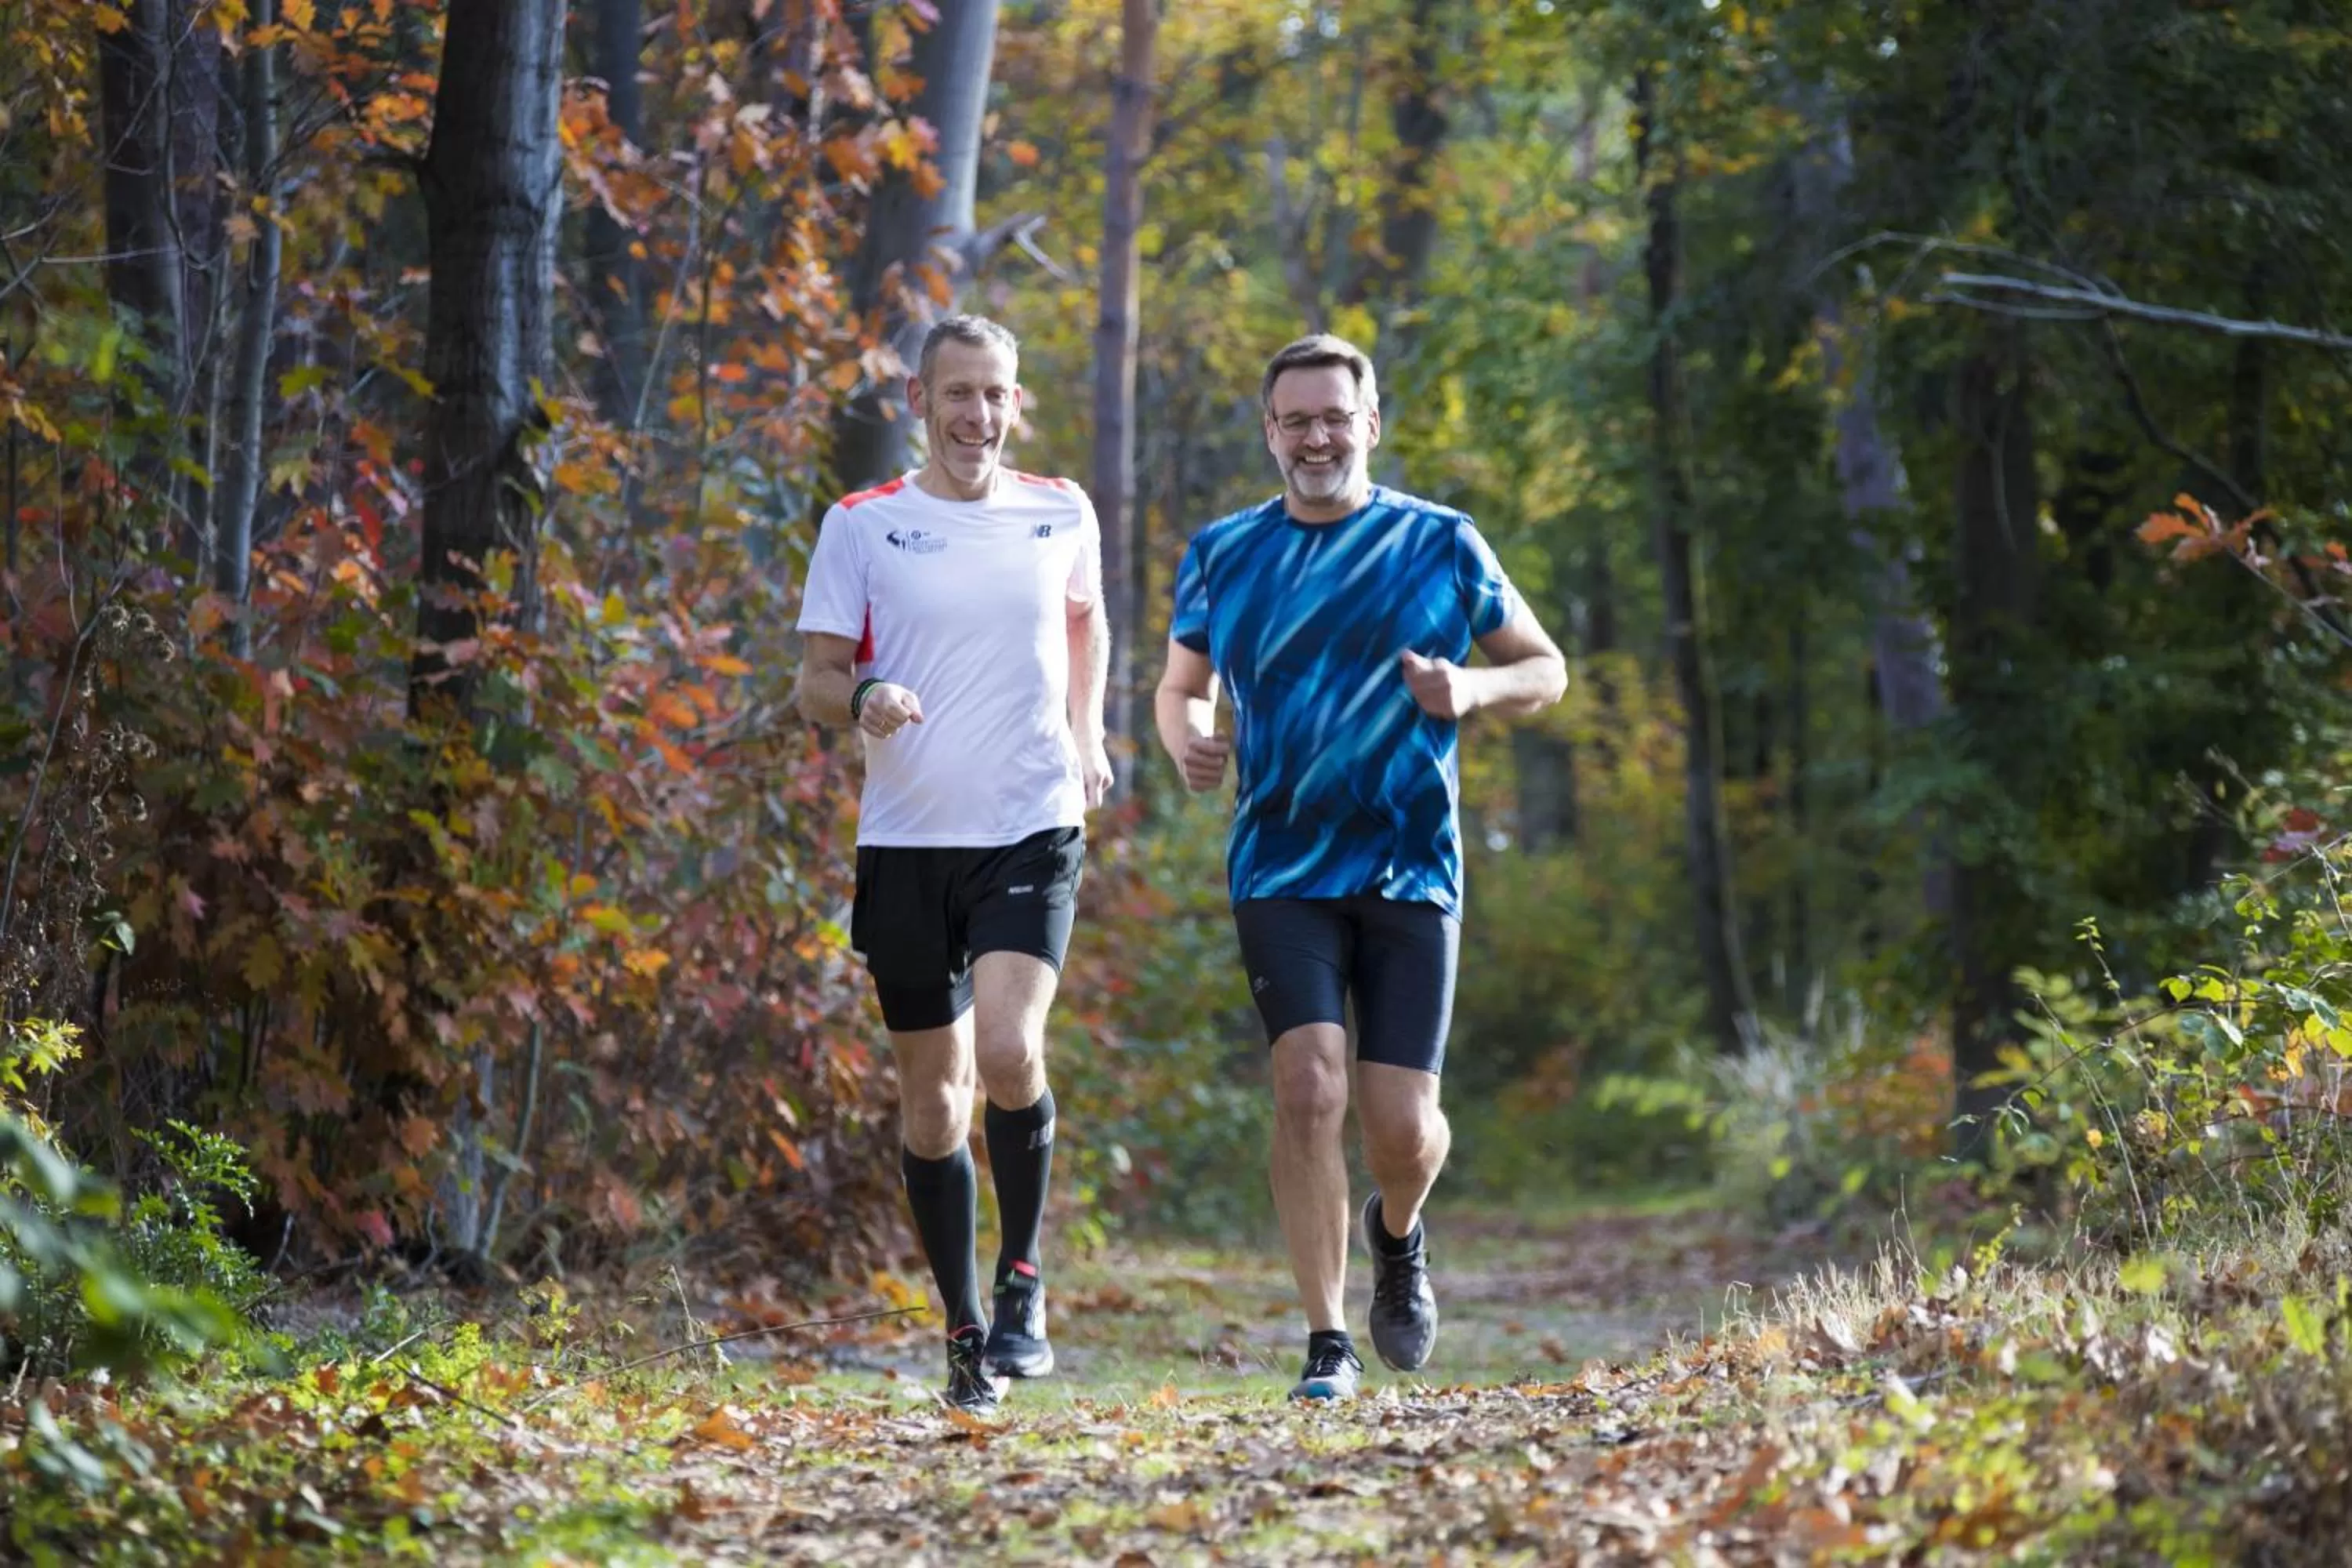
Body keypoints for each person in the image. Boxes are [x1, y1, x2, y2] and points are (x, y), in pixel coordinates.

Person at [1154, 333, 1567, 1401]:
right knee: (1307, 1085)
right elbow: (1179, 685)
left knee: (1402, 1130)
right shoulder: (1224, 551)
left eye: (1334, 416)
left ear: (1370, 423)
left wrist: (1467, 694)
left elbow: (1545, 668)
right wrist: (1189, 736)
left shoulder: (1441, 541)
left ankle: (1399, 1230)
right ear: (1270, 433)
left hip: (1409, 866)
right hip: (1280, 861)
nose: (1315, 437)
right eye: (1294, 420)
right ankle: (1326, 1340)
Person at [795, 314, 1112, 1414]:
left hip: (1030, 822)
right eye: (958, 395)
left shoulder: (1060, 509)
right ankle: (964, 1329)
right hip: (907, 842)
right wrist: (868, 698)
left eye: (997, 394)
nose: (978, 415)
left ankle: (1023, 1282)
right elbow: (816, 681)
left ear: (1016, 402)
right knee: (934, 1107)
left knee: (1013, 1049)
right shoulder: (864, 525)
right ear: (919, 404)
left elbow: (1087, 624)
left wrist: (1092, 734)